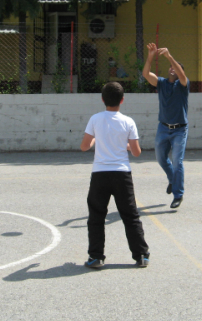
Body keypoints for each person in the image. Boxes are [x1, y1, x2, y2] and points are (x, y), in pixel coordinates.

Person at [80, 82, 150, 269]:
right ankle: (141, 255)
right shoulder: (128, 122)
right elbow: (136, 152)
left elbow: (84, 146)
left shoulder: (95, 119)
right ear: (122, 100)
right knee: (130, 215)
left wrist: (95, 139)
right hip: (122, 174)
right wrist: (125, 146)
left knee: (96, 216)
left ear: (103, 99)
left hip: (100, 174)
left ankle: (96, 257)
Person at [142, 43, 189, 209]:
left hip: (179, 130)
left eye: (175, 68)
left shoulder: (183, 85)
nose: (172, 69)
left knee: (177, 162)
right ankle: (172, 180)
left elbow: (182, 76)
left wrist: (170, 56)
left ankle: (178, 194)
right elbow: (146, 74)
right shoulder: (161, 83)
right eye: (170, 67)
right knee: (161, 159)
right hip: (163, 128)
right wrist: (151, 55)